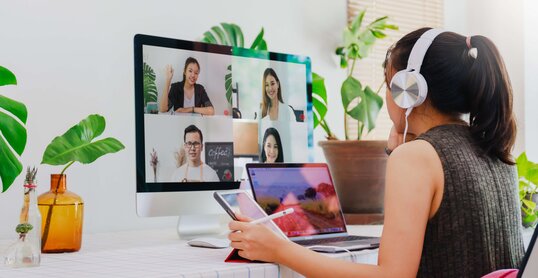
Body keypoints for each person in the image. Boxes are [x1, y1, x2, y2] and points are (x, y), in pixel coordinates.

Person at [227, 28, 525, 277]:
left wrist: (278, 249)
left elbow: (391, 276)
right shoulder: (494, 148)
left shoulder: (417, 158)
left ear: (409, 89)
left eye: (388, 83)